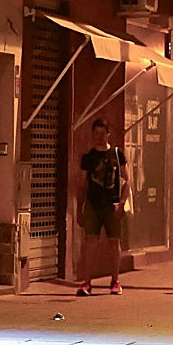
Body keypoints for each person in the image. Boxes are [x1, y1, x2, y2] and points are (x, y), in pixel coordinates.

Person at [75, 119, 129, 296]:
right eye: (96, 133)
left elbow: (127, 180)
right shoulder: (88, 157)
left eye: (102, 133)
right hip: (93, 204)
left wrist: (121, 202)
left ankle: (115, 281)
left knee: (114, 242)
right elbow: (82, 184)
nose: (99, 137)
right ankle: (87, 282)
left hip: (112, 205)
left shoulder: (117, 154)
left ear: (108, 134)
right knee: (90, 242)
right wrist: (79, 208)